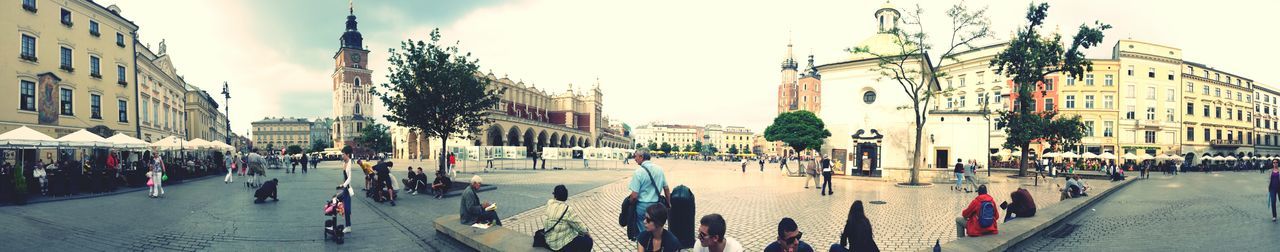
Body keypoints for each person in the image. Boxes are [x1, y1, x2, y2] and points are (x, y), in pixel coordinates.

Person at [628, 149, 670, 241]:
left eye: (636, 156)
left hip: (642, 206)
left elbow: (634, 196)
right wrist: (669, 203)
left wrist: (629, 203)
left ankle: (643, 247)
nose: (634, 159)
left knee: (643, 231)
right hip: (656, 205)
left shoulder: (638, 172)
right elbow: (666, 188)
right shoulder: (659, 169)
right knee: (655, 230)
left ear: (641, 157)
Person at [544, 185, 593, 252]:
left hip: (549, 240)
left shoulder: (549, 204)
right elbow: (579, 226)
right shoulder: (567, 209)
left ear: (555, 196)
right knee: (587, 241)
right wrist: (587, 233)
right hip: (559, 245)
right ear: (566, 196)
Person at [336, 146, 356, 233]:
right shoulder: (345, 162)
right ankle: (343, 214)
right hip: (345, 188)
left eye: (343, 154)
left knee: (346, 208)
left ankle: (348, 226)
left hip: (347, 189)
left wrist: (343, 185)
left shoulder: (349, 164)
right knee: (337, 200)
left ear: (347, 154)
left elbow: (349, 178)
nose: (342, 156)